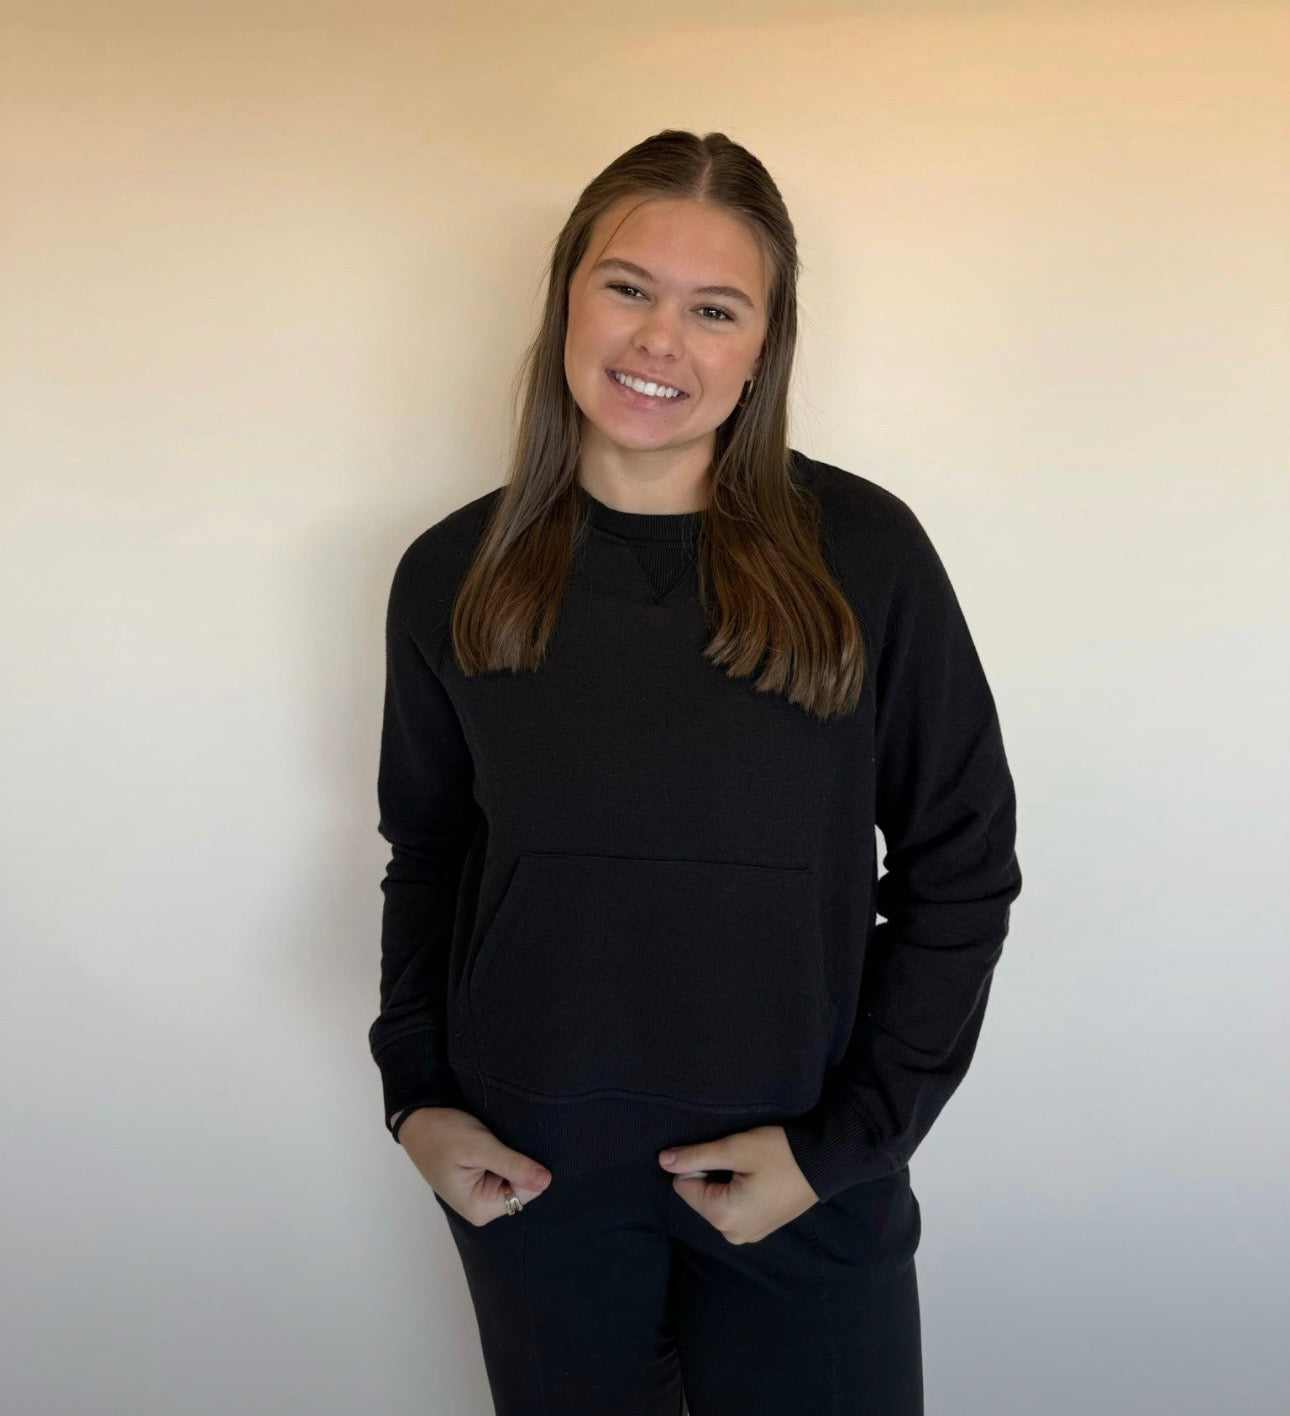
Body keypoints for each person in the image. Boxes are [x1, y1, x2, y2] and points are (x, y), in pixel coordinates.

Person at [369, 128, 1022, 1415]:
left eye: (713, 308)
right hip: (531, 1184)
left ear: (764, 345)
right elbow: (430, 855)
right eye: (628, 287)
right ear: (568, 294)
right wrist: (417, 1102)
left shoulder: (865, 555)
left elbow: (962, 867)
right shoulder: (453, 573)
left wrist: (846, 1146)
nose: (660, 341)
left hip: (800, 1186)